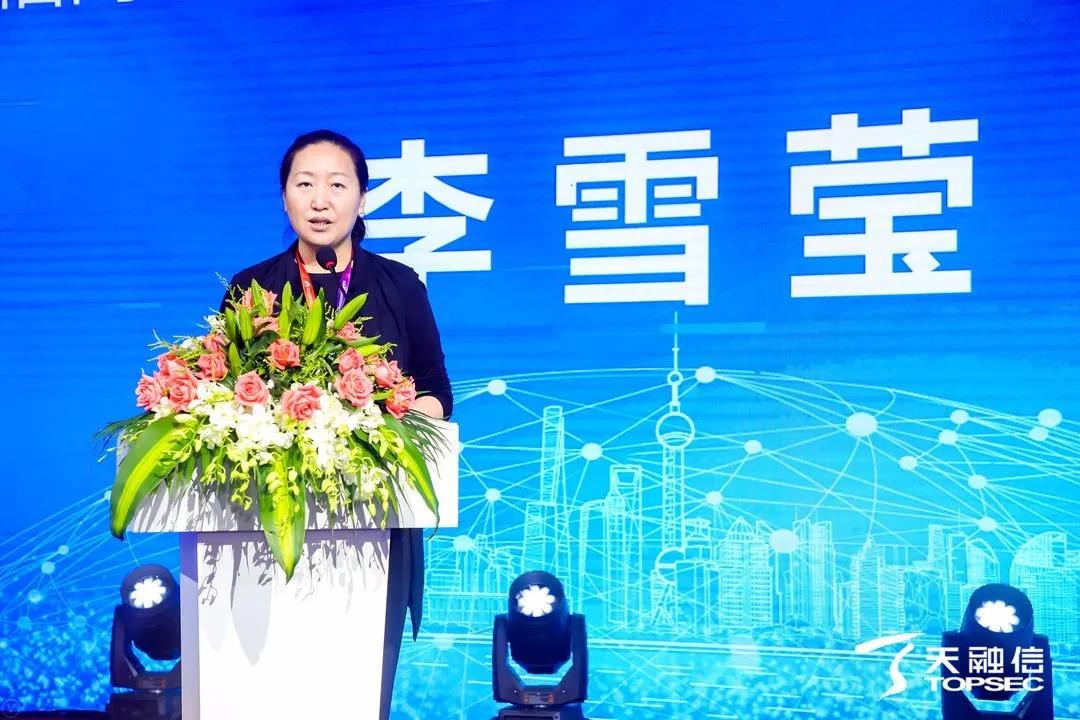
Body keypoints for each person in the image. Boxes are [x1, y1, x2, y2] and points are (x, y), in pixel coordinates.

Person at [218, 129, 453, 719]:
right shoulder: (251, 288)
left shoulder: (399, 285)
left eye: (337, 185)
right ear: (284, 197)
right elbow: (222, 393)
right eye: (305, 184)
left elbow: (437, 392)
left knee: (359, 692)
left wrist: (382, 418)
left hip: (377, 516)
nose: (320, 200)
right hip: (265, 522)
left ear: (362, 198)